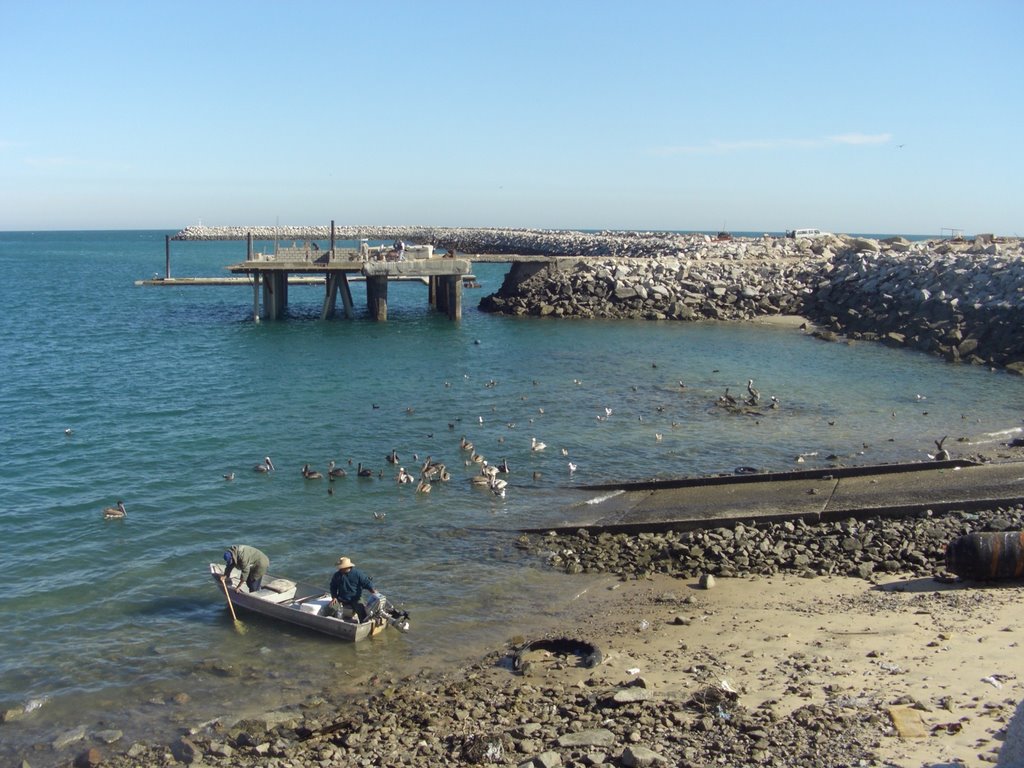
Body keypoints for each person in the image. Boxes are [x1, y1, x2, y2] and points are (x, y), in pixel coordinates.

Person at [328, 556, 376, 621]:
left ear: (347, 567)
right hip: (342, 598)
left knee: (361, 611)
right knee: (331, 608)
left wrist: (374, 592)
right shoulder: (337, 575)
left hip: (356, 598)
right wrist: (334, 597)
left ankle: (363, 623)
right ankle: (335, 622)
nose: (339, 569)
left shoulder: (358, 574)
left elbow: (367, 583)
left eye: (341, 568)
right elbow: (333, 586)